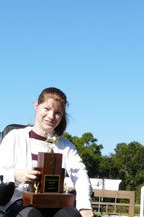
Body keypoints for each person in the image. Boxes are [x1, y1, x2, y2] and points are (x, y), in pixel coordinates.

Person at [0, 87, 94, 217]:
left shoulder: (66, 146)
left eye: (57, 113)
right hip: (17, 202)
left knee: (71, 214)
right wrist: (14, 175)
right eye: (47, 109)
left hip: (54, 204)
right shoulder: (15, 137)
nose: (51, 116)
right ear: (36, 106)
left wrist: (84, 206)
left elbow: (81, 176)